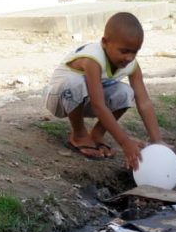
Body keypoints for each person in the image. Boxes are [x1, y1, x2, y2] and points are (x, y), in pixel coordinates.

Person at [43, 12, 163, 171]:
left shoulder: (131, 65)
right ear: (105, 42)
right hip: (59, 99)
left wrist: (157, 141)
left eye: (134, 52)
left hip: (86, 99)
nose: (129, 57)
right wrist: (125, 142)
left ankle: (97, 135)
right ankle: (79, 135)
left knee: (125, 92)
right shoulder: (93, 60)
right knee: (75, 82)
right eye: (124, 51)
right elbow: (98, 105)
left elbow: (144, 102)